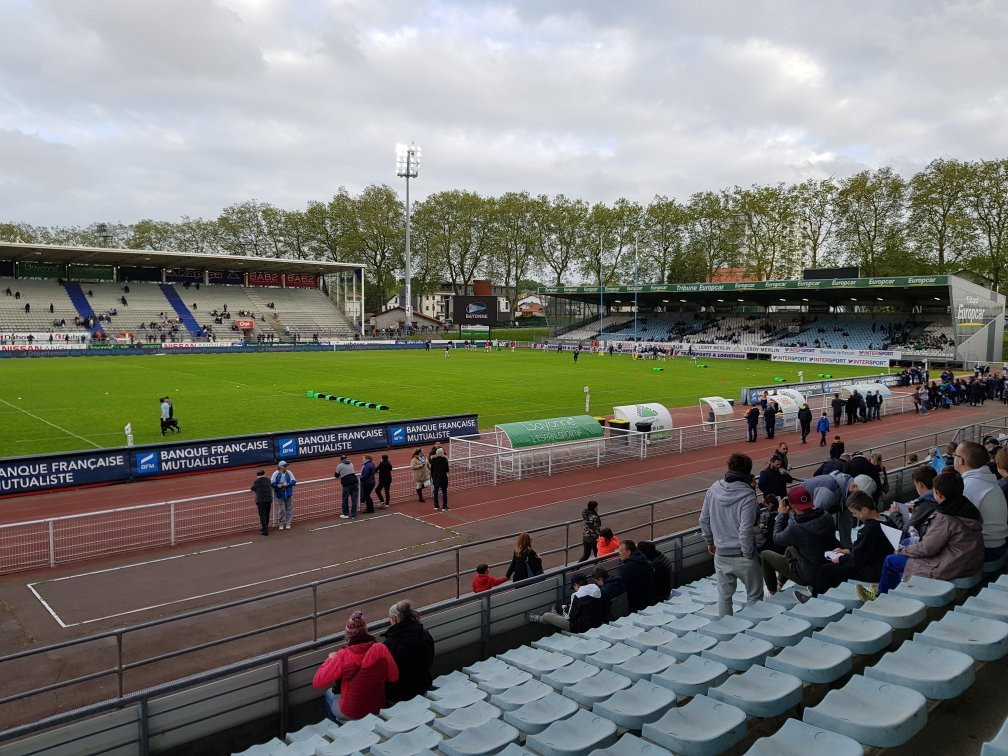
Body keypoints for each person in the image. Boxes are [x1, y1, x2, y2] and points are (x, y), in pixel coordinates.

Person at [865, 469, 985, 599]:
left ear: (938, 493)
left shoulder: (945, 518)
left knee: (891, 560)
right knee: (907, 545)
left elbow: (927, 549)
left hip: (952, 565)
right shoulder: (968, 507)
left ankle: (881, 596)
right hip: (969, 561)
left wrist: (901, 550)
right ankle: (891, 585)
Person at [699, 453, 763, 616]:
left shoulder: (713, 490)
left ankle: (726, 633)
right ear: (748, 472)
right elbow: (745, 529)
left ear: (729, 467)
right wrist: (748, 554)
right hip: (743, 555)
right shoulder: (748, 495)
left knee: (724, 596)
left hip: (721, 554)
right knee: (755, 597)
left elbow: (704, 520)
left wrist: (710, 541)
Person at [802, 491, 893, 598]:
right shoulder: (886, 520)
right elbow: (868, 548)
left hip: (872, 572)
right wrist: (849, 550)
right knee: (834, 570)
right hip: (880, 566)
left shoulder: (871, 529)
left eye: (854, 513)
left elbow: (856, 561)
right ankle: (825, 592)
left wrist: (840, 559)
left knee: (826, 569)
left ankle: (815, 599)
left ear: (864, 510)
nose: (855, 517)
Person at [312, 611, 398, 722]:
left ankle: (337, 730)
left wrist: (330, 659)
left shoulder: (343, 655)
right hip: (376, 707)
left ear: (348, 638)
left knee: (329, 694)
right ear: (366, 632)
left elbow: (317, 682)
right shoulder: (381, 649)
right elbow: (393, 677)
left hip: (351, 711)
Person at [760, 486, 838, 595]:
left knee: (764, 555)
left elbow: (776, 538)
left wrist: (781, 515)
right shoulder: (827, 516)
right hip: (830, 567)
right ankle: (780, 583)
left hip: (809, 575)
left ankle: (772, 592)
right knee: (791, 548)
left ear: (791, 505)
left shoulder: (796, 528)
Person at [954, 441, 1008, 562]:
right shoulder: (987, 479)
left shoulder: (969, 486)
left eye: (955, 456)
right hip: (998, 545)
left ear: (961, 460)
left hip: (986, 550)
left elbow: (954, 525)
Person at [383, 600, 435, 703]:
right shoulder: (424, 634)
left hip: (400, 695)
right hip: (423, 687)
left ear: (394, 619)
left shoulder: (390, 644)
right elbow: (430, 658)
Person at [528, 572, 605, 632]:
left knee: (547, 615)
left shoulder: (576, 595)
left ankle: (538, 618)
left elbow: (569, 616)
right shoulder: (596, 588)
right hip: (597, 623)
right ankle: (555, 615)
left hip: (581, 628)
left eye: (574, 587)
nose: (574, 589)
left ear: (576, 584)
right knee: (565, 612)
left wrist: (565, 608)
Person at [618, 540, 656, 612]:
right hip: (649, 600)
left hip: (637, 604)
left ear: (628, 552)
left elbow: (622, 586)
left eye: (621, 550)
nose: (619, 553)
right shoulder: (644, 560)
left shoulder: (627, 568)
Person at [271, 460, 297, 530]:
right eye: (284, 466)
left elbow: (294, 481)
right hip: (280, 494)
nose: (286, 467)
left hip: (288, 494)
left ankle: (288, 523)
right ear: (280, 467)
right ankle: (281, 523)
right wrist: (277, 486)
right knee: (282, 510)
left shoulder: (289, 472)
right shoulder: (275, 473)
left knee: (289, 509)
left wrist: (287, 484)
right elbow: (272, 483)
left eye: (286, 466)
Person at [335, 455, 359, 519]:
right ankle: (354, 514)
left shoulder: (339, 465)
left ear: (341, 460)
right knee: (354, 499)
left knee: (345, 499)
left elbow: (336, 475)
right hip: (355, 482)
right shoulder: (351, 464)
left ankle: (346, 514)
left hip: (347, 484)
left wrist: (342, 475)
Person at [250, 469, 273, 535]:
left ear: (257, 475)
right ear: (264, 474)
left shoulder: (257, 481)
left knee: (262, 515)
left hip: (261, 500)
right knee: (267, 514)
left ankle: (265, 530)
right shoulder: (268, 480)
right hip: (268, 499)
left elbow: (253, 488)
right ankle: (266, 527)